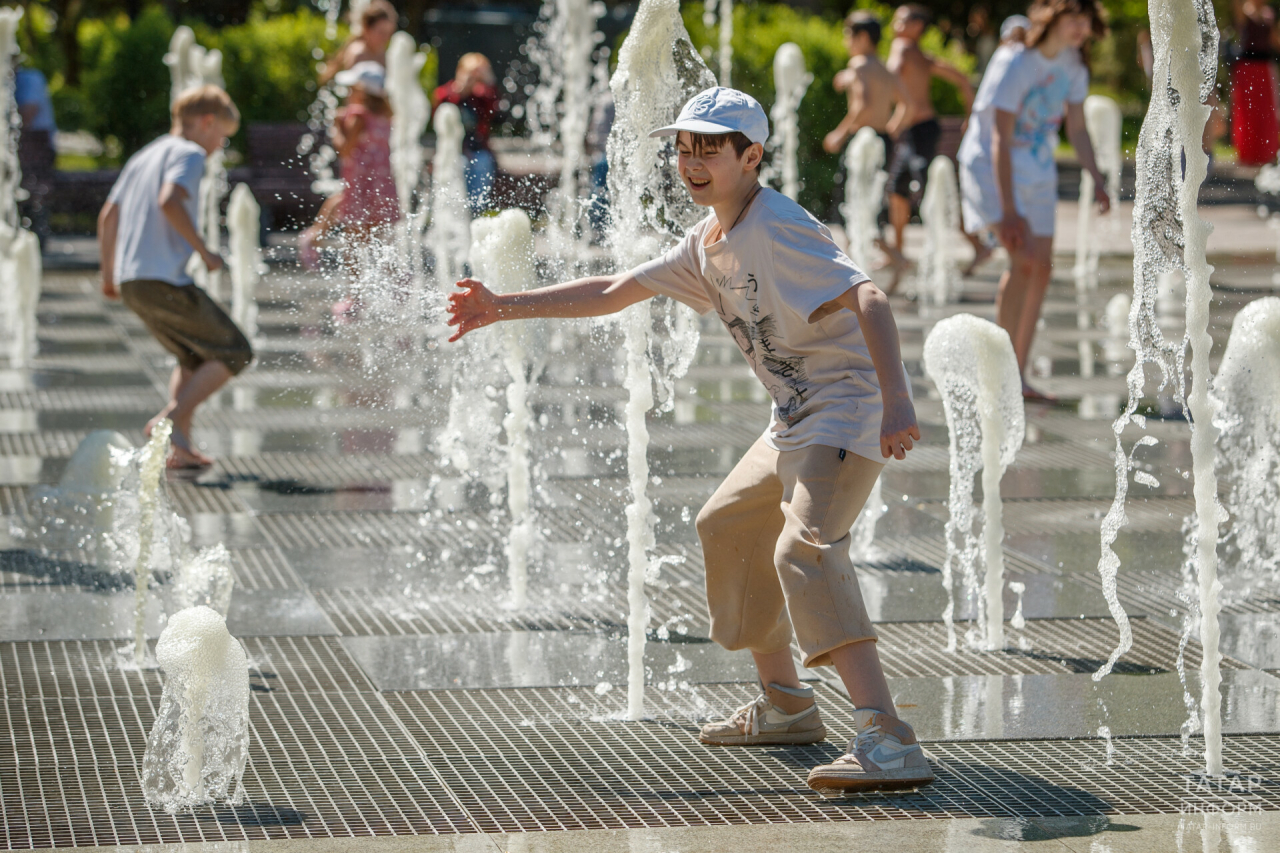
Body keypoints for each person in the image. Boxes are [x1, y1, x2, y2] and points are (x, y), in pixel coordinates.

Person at [447, 87, 931, 793]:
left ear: (751, 155)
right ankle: (788, 704)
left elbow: (870, 296)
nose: (692, 160)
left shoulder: (776, 224)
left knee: (806, 548)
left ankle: (888, 734)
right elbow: (615, 289)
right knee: (729, 524)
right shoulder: (708, 245)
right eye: (684, 146)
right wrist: (501, 306)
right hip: (795, 417)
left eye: (710, 147)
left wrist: (896, 397)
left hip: (846, 410)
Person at [957, 0, 1110, 401]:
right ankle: (1001, 375)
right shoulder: (1016, 61)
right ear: (1052, 18)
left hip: (1038, 169)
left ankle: (1018, 377)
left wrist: (1098, 177)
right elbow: (998, 138)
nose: (1080, 28)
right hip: (992, 167)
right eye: (1072, 19)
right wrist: (1007, 210)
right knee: (1022, 261)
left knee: (1041, 267)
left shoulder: (1074, 65)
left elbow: (1076, 127)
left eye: (1086, 21)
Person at [97, 86, 252, 469]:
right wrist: (204, 251)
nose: (219, 146)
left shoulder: (144, 155)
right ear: (206, 123)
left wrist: (108, 275)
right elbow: (169, 200)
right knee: (236, 350)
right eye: (222, 136)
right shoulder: (189, 153)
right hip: (163, 279)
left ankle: (179, 445)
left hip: (134, 280)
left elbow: (108, 217)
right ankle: (167, 422)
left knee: (192, 355)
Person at [883, 5, 975, 292]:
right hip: (920, 130)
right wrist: (970, 115)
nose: (896, 22)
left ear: (917, 26)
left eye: (904, 18)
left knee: (926, 189)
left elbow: (891, 74)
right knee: (899, 189)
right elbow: (963, 80)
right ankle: (899, 256)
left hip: (918, 131)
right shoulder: (922, 55)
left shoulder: (902, 47)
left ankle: (975, 244)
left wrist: (900, 112)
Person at [300, 63, 400, 318]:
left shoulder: (357, 115)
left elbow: (344, 149)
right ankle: (397, 289)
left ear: (361, 90)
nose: (347, 92)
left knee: (354, 241)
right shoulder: (387, 115)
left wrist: (335, 126)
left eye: (351, 87)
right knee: (380, 238)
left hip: (361, 184)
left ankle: (355, 297)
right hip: (381, 183)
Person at [961, 14, 1031, 277]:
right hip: (985, 158)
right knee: (1019, 253)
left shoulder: (1012, 58)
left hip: (993, 158)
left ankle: (985, 250)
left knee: (1021, 255)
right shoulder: (1010, 58)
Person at [823, 12, 903, 161]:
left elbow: (863, 104)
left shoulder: (858, 64)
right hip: (883, 140)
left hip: (861, 139)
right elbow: (907, 104)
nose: (845, 42)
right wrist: (893, 128)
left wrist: (840, 133)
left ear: (863, 37)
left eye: (848, 36)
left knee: (847, 184)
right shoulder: (884, 68)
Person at [434, 53, 500, 213]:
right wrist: (461, 89)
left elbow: (496, 110)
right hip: (455, 150)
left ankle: (476, 213)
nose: (474, 79)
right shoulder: (446, 93)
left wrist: (489, 80)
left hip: (478, 151)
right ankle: (453, 214)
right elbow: (438, 112)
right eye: (471, 73)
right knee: (457, 166)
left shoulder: (482, 97)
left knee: (482, 163)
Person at [1231, 1, 1280, 166]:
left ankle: (1265, 152)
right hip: (1247, 68)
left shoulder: (1269, 14)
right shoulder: (1244, 11)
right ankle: (1247, 152)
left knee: (1266, 108)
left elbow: (1274, 41)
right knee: (1247, 108)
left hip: (1264, 67)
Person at [320, 0, 398, 84]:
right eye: (381, 33)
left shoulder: (383, 55)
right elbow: (355, 94)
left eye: (389, 33)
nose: (385, 38)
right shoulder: (358, 54)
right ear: (366, 29)